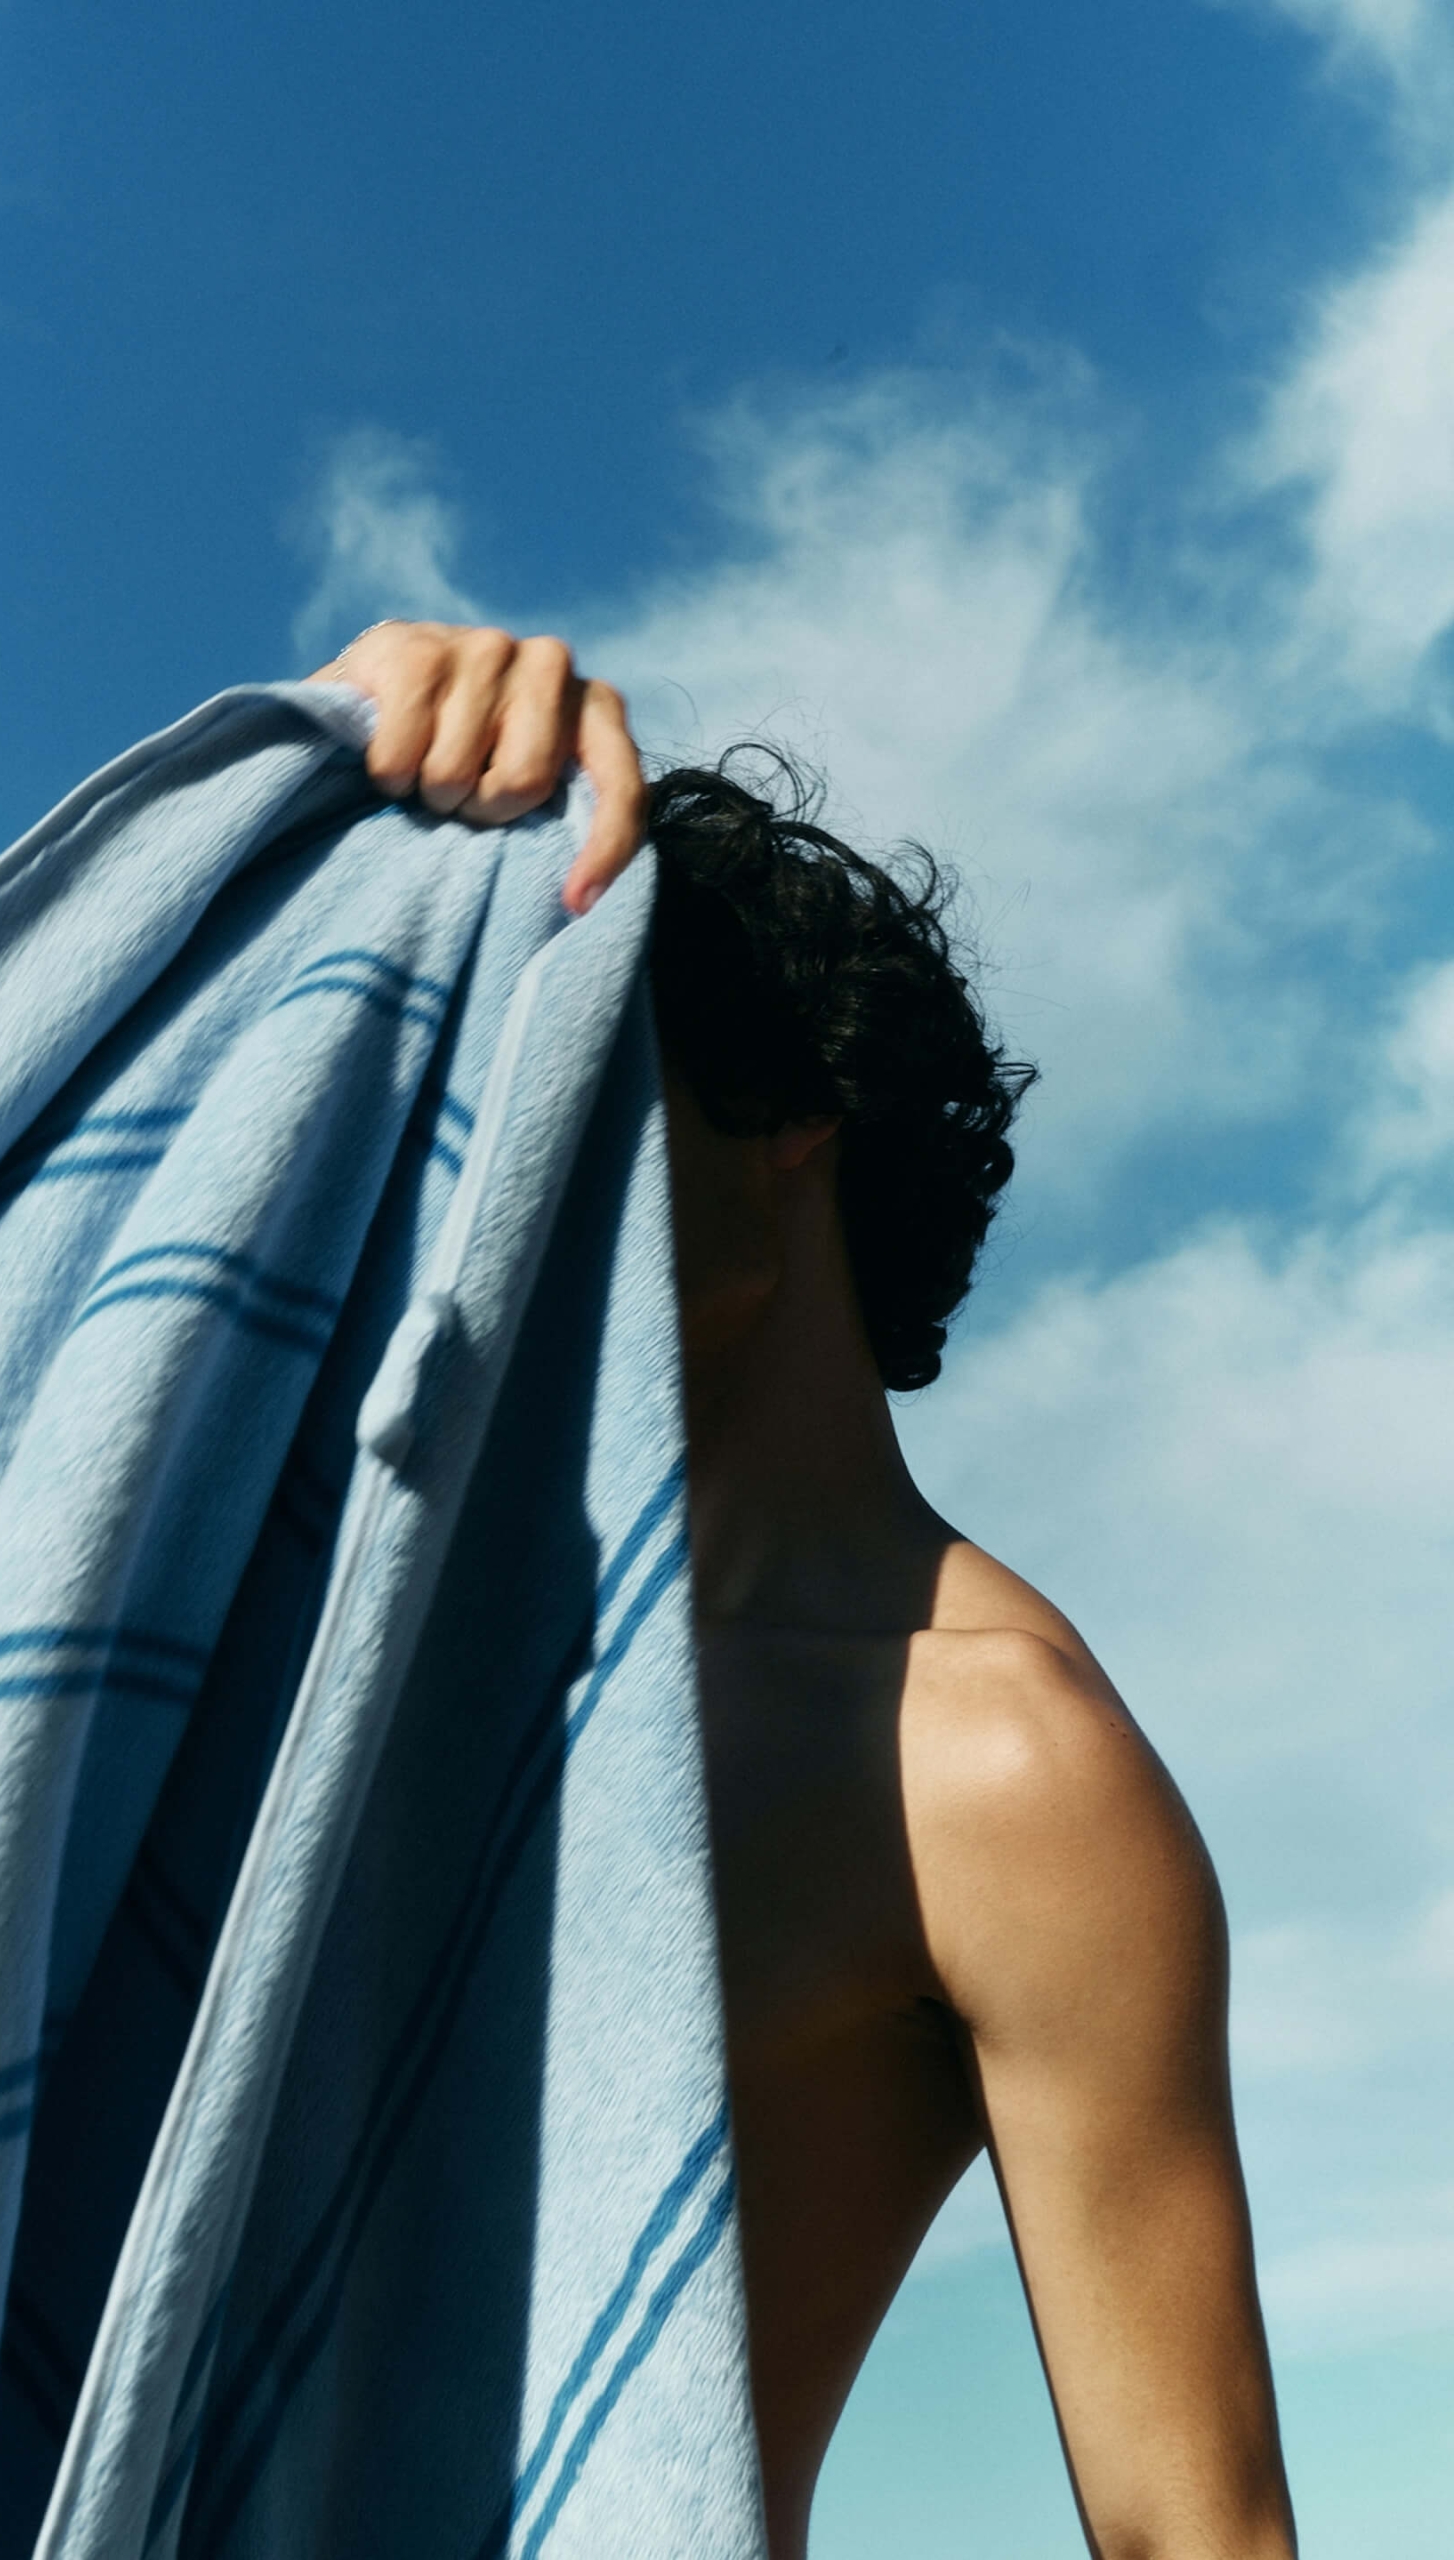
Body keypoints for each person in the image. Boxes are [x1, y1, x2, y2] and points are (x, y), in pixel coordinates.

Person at [309, 620, 1299, 2560]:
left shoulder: (992, 1759)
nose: (489, 1194)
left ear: (781, 1126)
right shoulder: (414, 1641)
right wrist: (336, 750)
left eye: (573, 1100)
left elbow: (1195, 2528)